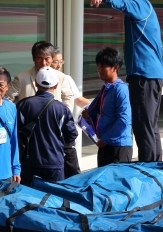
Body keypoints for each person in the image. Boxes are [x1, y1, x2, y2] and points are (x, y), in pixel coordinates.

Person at [88, 0, 163, 162]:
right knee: (149, 127)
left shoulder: (139, 5)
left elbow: (123, 3)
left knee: (143, 128)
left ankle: (148, 171)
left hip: (144, 76)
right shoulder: (142, 6)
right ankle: (156, 169)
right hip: (150, 75)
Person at [16, 67, 78, 185]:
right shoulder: (62, 108)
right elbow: (71, 135)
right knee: (54, 195)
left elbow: (16, 132)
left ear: (35, 83)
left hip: (29, 162)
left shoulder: (23, 105)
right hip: (54, 163)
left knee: (29, 195)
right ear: (56, 85)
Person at [81, 47, 132, 167]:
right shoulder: (106, 88)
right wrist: (88, 115)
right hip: (105, 145)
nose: (99, 70)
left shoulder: (121, 89)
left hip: (118, 147)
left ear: (115, 68)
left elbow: (124, 119)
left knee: (117, 179)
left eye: (103, 66)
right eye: (98, 66)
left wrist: (106, 139)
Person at [50, 46, 91, 179]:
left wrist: (96, 106)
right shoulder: (41, 79)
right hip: (49, 130)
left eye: (61, 61)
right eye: (55, 62)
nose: (58, 65)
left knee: (71, 167)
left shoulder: (65, 78)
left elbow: (78, 99)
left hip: (64, 130)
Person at [6, 41, 74, 107]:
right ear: (34, 59)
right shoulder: (21, 78)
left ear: (52, 59)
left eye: (47, 59)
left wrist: (63, 113)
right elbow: (7, 98)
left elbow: (68, 97)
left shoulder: (60, 77)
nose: (43, 63)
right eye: (39, 58)